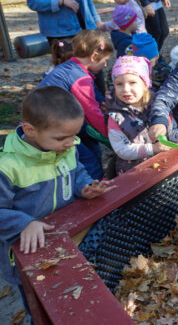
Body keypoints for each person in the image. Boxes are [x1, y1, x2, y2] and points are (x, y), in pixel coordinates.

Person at [0, 87, 115, 303]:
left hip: (68, 237)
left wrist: (84, 187)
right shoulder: (8, 167)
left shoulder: (64, 147)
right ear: (30, 130)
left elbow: (76, 170)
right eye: (63, 137)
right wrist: (24, 223)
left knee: (70, 294)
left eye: (74, 136)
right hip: (29, 253)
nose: (71, 143)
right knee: (42, 305)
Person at [38, 30, 114, 179]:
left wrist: (105, 103)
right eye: (105, 60)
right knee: (87, 159)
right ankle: (95, 186)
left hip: (55, 120)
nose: (105, 65)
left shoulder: (72, 68)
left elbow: (95, 97)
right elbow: (92, 114)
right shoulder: (79, 78)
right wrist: (111, 134)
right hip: (50, 127)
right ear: (93, 57)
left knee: (89, 139)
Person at [107, 56, 178, 174]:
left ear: (145, 84)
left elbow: (171, 132)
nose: (125, 89)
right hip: (135, 171)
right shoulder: (115, 116)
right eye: (119, 84)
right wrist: (151, 149)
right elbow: (122, 149)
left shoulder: (158, 107)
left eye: (132, 82)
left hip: (164, 165)